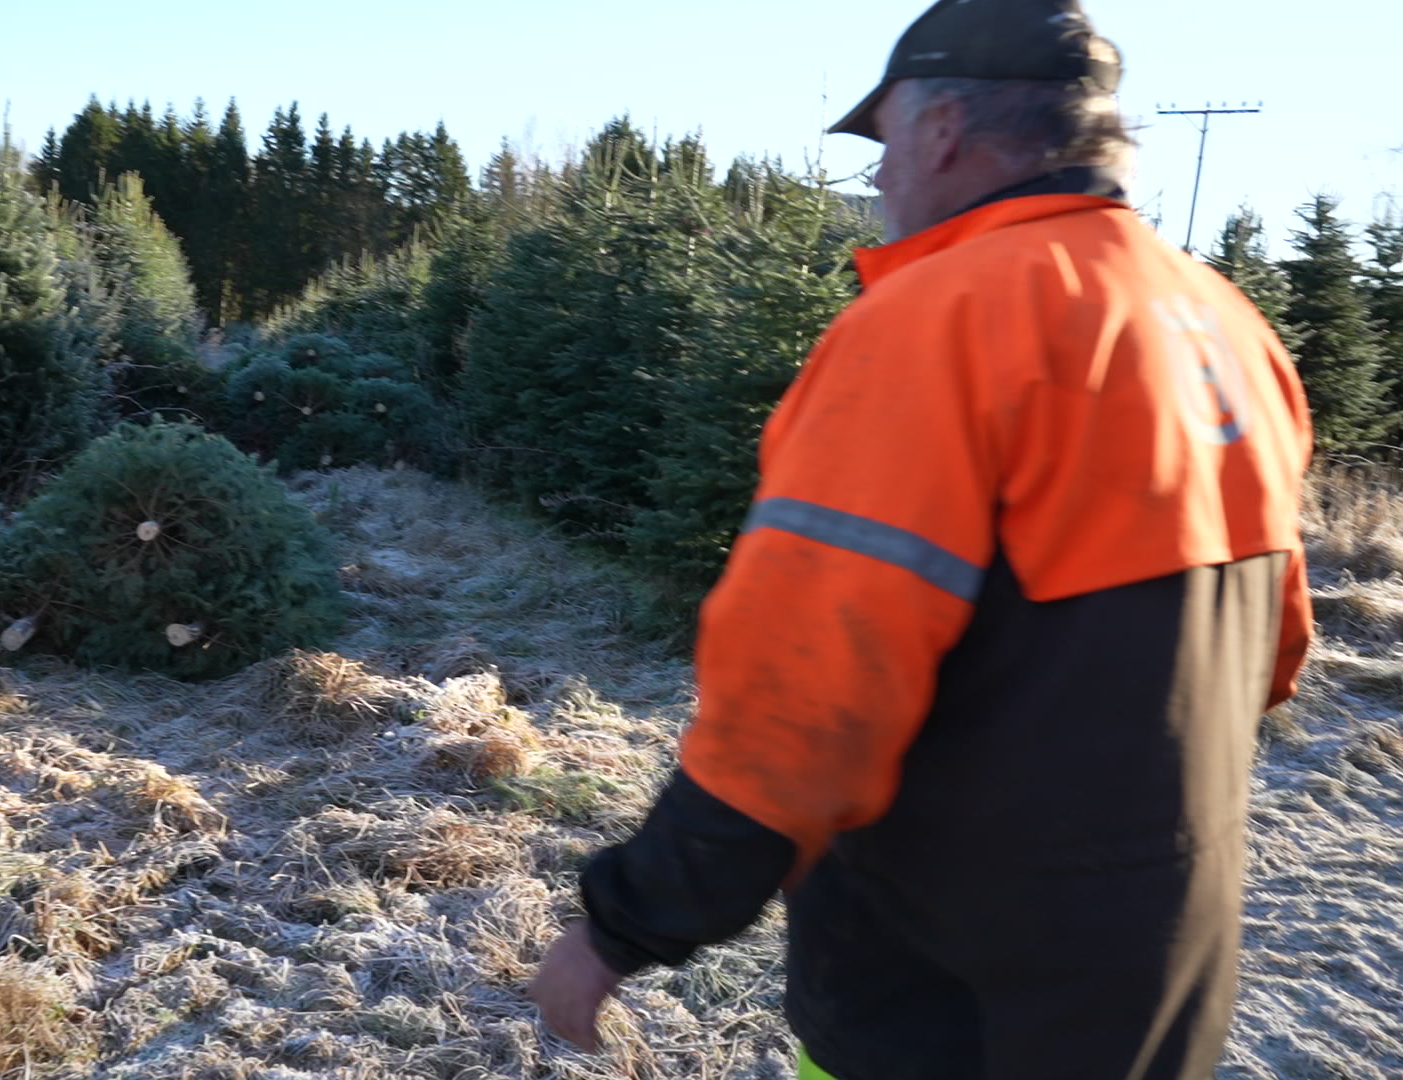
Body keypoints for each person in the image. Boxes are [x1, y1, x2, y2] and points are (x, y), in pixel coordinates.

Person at [527, 1, 1316, 1077]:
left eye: (885, 140)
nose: (881, 174)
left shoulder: (936, 321)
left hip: (951, 997)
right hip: (1160, 977)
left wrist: (623, 927)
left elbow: (801, 695)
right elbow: (1274, 656)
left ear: (943, 129)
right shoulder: (1226, 323)